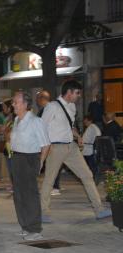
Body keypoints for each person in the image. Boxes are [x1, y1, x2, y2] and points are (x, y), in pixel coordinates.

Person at [39, 80, 112, 221]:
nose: (79, 96)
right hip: (55, 147)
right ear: (69, 92)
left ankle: (99, 209)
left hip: (71, 147)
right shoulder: (52, 107)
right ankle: (43, 212)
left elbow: (69, 126)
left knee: (87, 175)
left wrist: (78, 136)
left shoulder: (72, 107)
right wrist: (43, 150)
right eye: (77, 93)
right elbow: (41, 128)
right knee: (49, 179)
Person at [10, 91, 51, 241]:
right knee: (19, 195)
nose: (13, 104)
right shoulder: (16, 120)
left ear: (25, 104)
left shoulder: (35, 121)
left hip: (29, 158)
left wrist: (40, 162)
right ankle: (25, 226)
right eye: (13, 102)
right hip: (17, 158)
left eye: (16, 102)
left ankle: (35, 229)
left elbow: (46, 144)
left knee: (30, 195)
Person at [36, 90, 62, 195]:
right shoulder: (50, 108)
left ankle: (55, 186)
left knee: (53, 165)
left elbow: (41, 126)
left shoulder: (48, 109)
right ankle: (54, 186)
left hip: (52, 141)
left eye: (37, 99)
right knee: (53, 164)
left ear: (42, 99)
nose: (37, 102)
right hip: (52, 140)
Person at [82, 115, 101, 180]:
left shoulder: (91, 127)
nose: (84, 121)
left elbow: (86, 140)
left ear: (89, 120)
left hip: (89, 149)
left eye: (85, 120)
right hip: (90, 148)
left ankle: (90, 177)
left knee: (90, 166)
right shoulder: (93, 127)